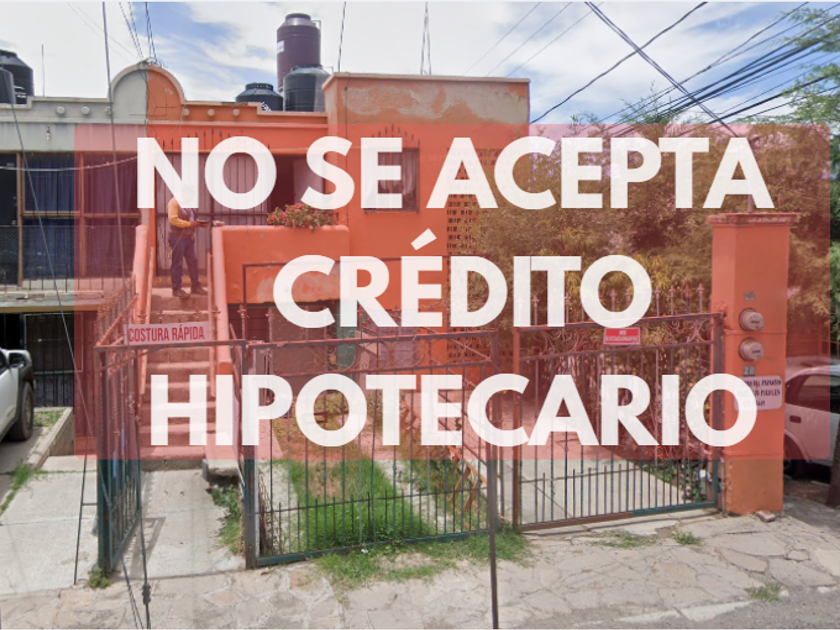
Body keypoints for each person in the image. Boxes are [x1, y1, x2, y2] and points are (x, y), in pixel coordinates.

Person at [167, 193, 207, 298]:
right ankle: (176, 288)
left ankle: (195, 286)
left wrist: (199, 223)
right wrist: (189, 224)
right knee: (177, 263)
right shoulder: (174, 202)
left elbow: (192, 218)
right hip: (177, 237)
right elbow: (173, 220)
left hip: (188, 237)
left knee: (192, 261)